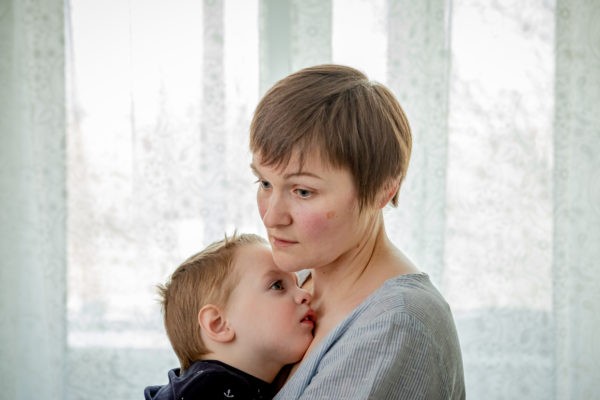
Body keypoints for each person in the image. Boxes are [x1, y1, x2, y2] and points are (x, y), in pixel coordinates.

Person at [249, 64, 465, 399]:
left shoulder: (398, 324)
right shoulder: (295, 282)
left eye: (303, 191)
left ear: (383, 190)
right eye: (264, 183)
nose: (271, 216)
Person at [144, 232, 316, 400]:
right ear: (219, 324)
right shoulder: (207, 388)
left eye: (297, 284)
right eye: (277, 285)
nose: (305, 294)